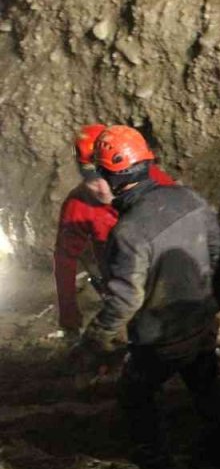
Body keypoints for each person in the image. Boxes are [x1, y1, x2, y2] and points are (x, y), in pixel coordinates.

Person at [78, 125, 220, 469]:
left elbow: (125, 298)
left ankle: (160, 467)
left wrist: (96, 337)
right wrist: (215, 297)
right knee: (206, 386)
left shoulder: (129, 230)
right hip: (201, 322)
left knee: (136, 395)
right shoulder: (189, 198)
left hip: (159, 340)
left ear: (109, 175)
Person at [55, 124, 174, 337]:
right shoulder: (78, 206)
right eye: (92, 180)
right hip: (118, 274)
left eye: (107, 178)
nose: (103, 189)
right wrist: (69, 317)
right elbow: (65, 261)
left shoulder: (155, 182)